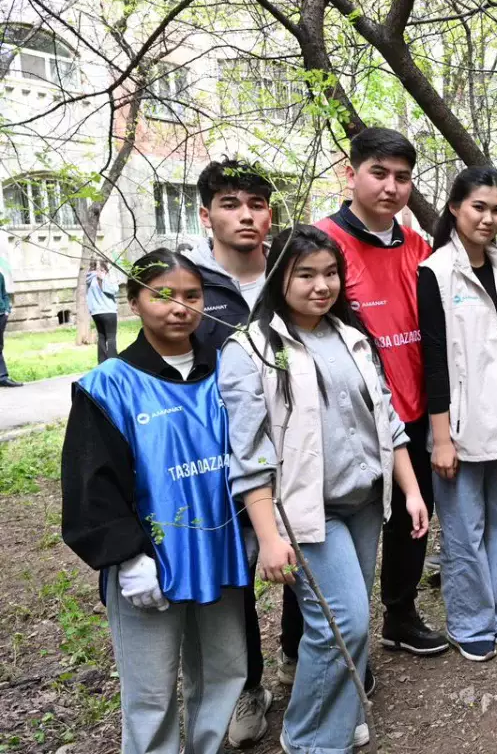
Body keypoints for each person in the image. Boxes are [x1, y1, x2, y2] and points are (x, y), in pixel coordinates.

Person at [220, 225, 430, 754]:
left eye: (331, 273)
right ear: (278, 278)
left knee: (345, 626)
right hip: (307, 512)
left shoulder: (351, 336)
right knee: (344, 624)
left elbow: (388, 422)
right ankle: (311, 737)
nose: (322, 285)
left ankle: (339, 715)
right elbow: (249, 456)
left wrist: (410, 490)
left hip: (363, 503)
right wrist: (268, 537)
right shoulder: (252, 348)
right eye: (306, 274)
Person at [61, 249, 251, 754]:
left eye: (192, 296)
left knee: (224, 671)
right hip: (148, 563)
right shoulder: (110, 387)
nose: (179, 308)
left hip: (221, 556)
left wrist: (252, 531)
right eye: (162, 295)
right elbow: (90, 484)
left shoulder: (227, 374)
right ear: (134, 301)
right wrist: (125, 557)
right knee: (150, 691)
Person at [314, 128, 447, 657]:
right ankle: (306, 640)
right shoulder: (323, 243)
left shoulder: (418, 246)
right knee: (334, 527)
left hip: (412, 409)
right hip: (347, 418)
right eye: (379, 173)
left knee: (412, 516)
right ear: (351, 174)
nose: (392, 187)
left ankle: (400, 612)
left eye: (402, 177)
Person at [182, 158, 277, 747]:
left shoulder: (291, 270)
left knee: (303, 552)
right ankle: (247, 684)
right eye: (231, 204)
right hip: (219, 457)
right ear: (206, 214)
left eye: (257, 205)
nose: (246, 216)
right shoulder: (190, 286)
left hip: (296, 449)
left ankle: (302, 655)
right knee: (234, 574)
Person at [416, 167, 497, 662]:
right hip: (459, 428)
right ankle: (468, 620)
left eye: (496, 209)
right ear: (455, 208)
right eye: (478, 207)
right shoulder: (436, 271)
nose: (488, 218)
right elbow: (434, 360)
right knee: (465, 531)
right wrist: (440, 437)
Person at [87, 260, 121, 363]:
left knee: (101, 337)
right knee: (111, 337)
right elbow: (114, 290)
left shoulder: (89, 279)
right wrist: (106, 279)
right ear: (104, 269)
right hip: (108, 311)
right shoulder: (104, 277)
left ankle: (101, 362)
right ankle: (113, 361)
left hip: (95, 313)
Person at [0, 241, 18, 387]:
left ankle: (2, 377)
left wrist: (6, 310)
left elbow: (4, 294)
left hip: (1, 314)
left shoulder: (0, 276)